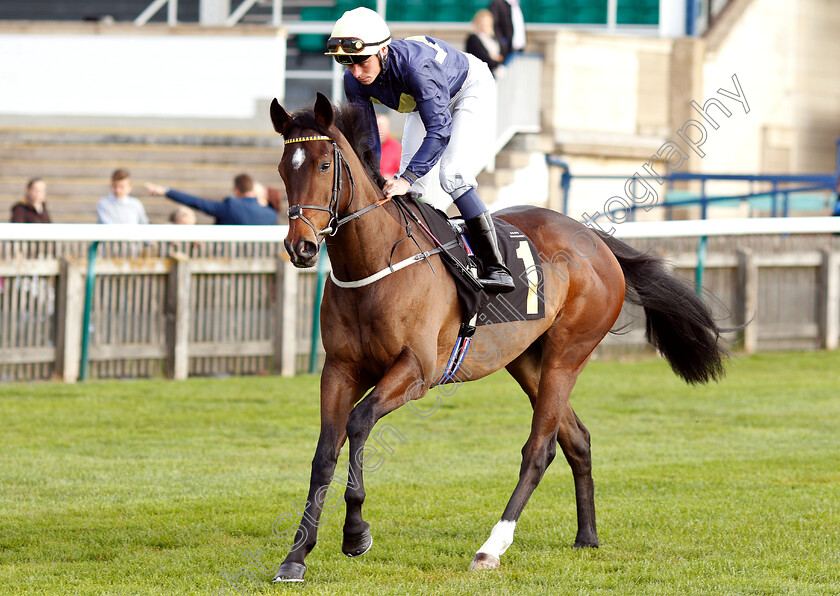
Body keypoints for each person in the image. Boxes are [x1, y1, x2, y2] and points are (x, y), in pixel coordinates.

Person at [326, 7, 514, 293]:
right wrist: (378, 180)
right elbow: (369, 137)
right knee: (419, 191)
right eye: (347, 63)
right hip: (423, 101)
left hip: (468, 87)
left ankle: (496, 267)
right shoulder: (353, 79)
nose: (356, 72)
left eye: (362, 61)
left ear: (383, 50)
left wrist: (406, 178)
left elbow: (440, 130)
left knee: (452, 174)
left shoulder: (416, 67)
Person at [145, 174, 277, 225]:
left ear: (236, 190)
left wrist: (167, 191)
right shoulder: (271, 214)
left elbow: (198, 203)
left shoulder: (231, 206)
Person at [465, 9, 505, 77]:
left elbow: (502, 54)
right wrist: (495, 60)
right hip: (479, 74)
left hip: (491, 73)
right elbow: (484, 58)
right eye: (482, 23)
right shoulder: (473, 38)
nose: (484, 26)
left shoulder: (493, 38)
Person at [376, 113, 402, 179]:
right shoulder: (366, 147)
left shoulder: (396, 147)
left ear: (388, 129)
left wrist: (392, 178)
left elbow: (402, 171)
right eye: (377, 126)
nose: (379, 130)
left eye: (381, 127)